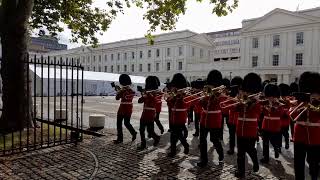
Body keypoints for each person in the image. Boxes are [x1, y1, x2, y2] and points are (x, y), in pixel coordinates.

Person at [221, 73, 261, 178]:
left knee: (250, 149)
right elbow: (231, 109)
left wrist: (252, 103)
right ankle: (241, 171)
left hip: (251, 128)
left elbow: (258, 112)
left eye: (246, 91)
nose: (243, 92)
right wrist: (236, 103)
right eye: (243, 90)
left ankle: (255, 161)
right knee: (240, 152)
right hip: (240, 128)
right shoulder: (241, 98)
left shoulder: (257, 101)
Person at [291, 72, 320, 180]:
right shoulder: (300, 102)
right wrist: (301, 107)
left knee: (314, 163)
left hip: (316, 137)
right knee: (298, 163)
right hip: (299, 136)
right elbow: (292, 115)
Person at [197, 70, 226, 167]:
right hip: (204, 119)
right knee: (202, 140)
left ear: (216, 85)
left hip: (214, 120)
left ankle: (221, 154)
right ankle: (203, 160)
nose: (210, 87)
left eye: (212, 85)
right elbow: (200, 105)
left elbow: (221, 104)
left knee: (214, 140)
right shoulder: (206, 92)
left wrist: (214, 96)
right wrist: (202, 99)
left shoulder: (220, 95)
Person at [167, 73, 190, 157]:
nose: (174, 88)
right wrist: (171, 98)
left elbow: (186, 104)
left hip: (180, 116)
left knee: (178, 134)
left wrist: (180, 96)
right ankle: (174, 150)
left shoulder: (184, 94)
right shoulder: (174, 94)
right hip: (173, 116)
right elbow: (170, 105)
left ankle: (185, 146)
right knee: (174, 134)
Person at [260, 84, 283, 164]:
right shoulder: (265, 102)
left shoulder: (279, 104)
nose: (270, 98)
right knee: (265, 142)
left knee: (273, 141)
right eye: (269, 96)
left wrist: (274, 109)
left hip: (275, 125)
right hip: (265, 124)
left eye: (272, 96)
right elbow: (261, 112)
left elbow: (281, 114)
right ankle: (265, 157)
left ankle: (276, 148)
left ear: (275, 96)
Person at [137, 76, 161, 150]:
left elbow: (154, 101)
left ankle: (156, 137)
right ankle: (143, 144)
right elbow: (139, 101)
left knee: (150, 131)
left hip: (151, 113)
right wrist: (143, 95)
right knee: (141, 129)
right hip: (144, 113)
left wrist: (148, 94)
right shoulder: (147, 93)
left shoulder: (156, 93)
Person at [113, 74, 137, 144]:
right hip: (129, 108)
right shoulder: (132, 91)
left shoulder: (122, 91)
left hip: (122, 109)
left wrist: (118, 91)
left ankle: (120, 138)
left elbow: (117, 98)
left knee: (119, 124)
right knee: (127, 123)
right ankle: (133, 132)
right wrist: (120, 90)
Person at [226, 76, 243, 155]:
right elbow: (227, 106)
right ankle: (231, 148)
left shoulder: (242, 94)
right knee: (231, 135)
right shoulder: (231, 94)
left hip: (239, 119)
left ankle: (241, 150)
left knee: (240, 136)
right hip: (232, 118)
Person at [279, 83, 291, 150]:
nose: (283, 97)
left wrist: (286, 112)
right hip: (280, 121)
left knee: (286, 134)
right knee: (279, 134)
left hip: (286, 120)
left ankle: (287, 143)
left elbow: (289, 109)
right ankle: (279, 146)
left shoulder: (287, 101)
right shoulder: (278, 100)